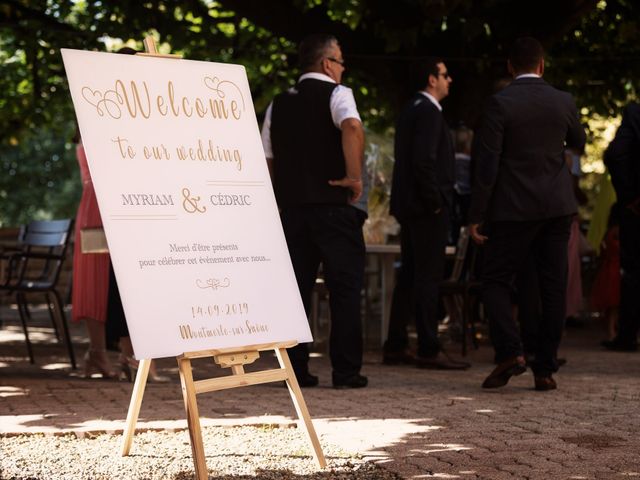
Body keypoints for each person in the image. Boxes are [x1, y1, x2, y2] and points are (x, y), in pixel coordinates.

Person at [469, 37, 586, 391]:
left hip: (512, 208)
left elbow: (487, 164)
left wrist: (476, 214)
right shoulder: (563, 100)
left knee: (495, 281)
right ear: (542, 64)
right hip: (556, 207)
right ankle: (545, 368)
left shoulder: (499, 103)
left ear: (509, 66)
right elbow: (579, 141)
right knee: (553, 286)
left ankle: (511, 352)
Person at [261, 34, 367, 388]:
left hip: (292, 209)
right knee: (345, 288)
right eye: (340, 61)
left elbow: (268, 157)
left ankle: (295, 369)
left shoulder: (278, 103)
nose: (343, 68)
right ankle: (346, 371)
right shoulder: (339, 94)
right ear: (327, 64)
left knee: (295, 290)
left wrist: (282, 194)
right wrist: (354, 177)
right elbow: (352, 126)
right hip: (333, 208)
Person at [383, 57, 470, 370]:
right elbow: (423, 162)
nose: (450, 80)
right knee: (427, 277)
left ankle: (395, 344)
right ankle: (428, 348)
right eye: (445, 75)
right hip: (425, 208)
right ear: (432, 79)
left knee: (409, 275)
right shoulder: (429, 111)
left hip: (412, 207)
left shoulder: (411, 109)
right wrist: (436, 201)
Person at [71, 132, 114, 378]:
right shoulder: (93, 133)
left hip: (100, 205)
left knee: (106, 282)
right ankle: (97, 352)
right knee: (95, 280)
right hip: (97, 208)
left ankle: (97, 353)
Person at [601, 103, 640, 352]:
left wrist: (630, 196)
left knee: (634, 272)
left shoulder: (635, 115)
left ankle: (627, 335)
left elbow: (616, 155)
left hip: (636, 210)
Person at [591, 203, 621, 341]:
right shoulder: (617, 232)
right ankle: (612, 331)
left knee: (612, 306)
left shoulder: (608, 232)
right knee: (614, 305)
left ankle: (612, 330)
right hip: (615, 270)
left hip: (609, 269)